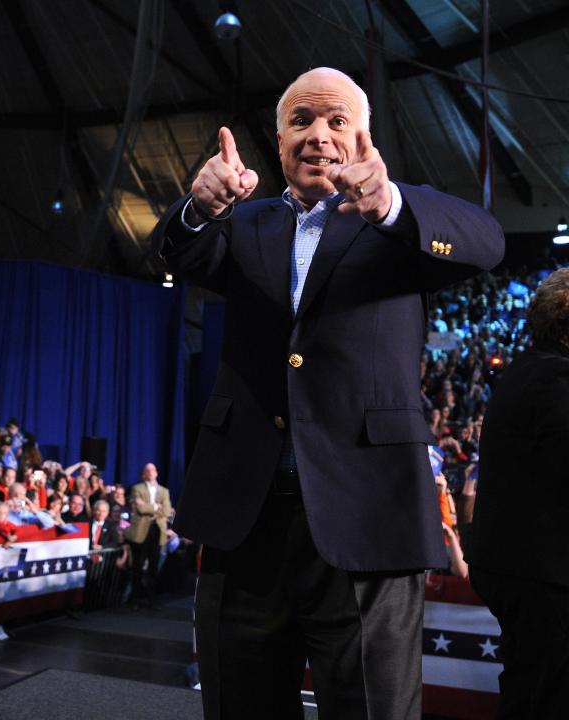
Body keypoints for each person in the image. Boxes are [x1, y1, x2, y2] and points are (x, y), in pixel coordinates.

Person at [152, 67, 504, 718]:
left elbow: (485, 239)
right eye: (302, 121)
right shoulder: (245, 223)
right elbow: (176, 252)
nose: (319, 135)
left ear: (365, 135)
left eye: (337, 120)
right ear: (279, 139)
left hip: (369, 525)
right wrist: (199, 208)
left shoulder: (399, 223)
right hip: (245, 521)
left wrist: (392, 203)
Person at [466, 268, 569, 719]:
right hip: (545, 575)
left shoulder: (527, 369)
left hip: (520, 567)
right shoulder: (556, 381)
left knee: (529, 685)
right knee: (547, 697)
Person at [125, 463, 171, 609]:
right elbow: (139, 508)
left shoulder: (164, 491)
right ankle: (135, 600)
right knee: (137, 566)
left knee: (153, 567)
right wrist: (157, 507)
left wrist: (150, 507)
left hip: (157, 531)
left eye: (153, 469)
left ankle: (152, 600)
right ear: (143, 474)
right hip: (140, 532)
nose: (150, 472)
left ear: (157, 473)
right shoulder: (137, 488)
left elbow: (167, 511)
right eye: (147, 470)